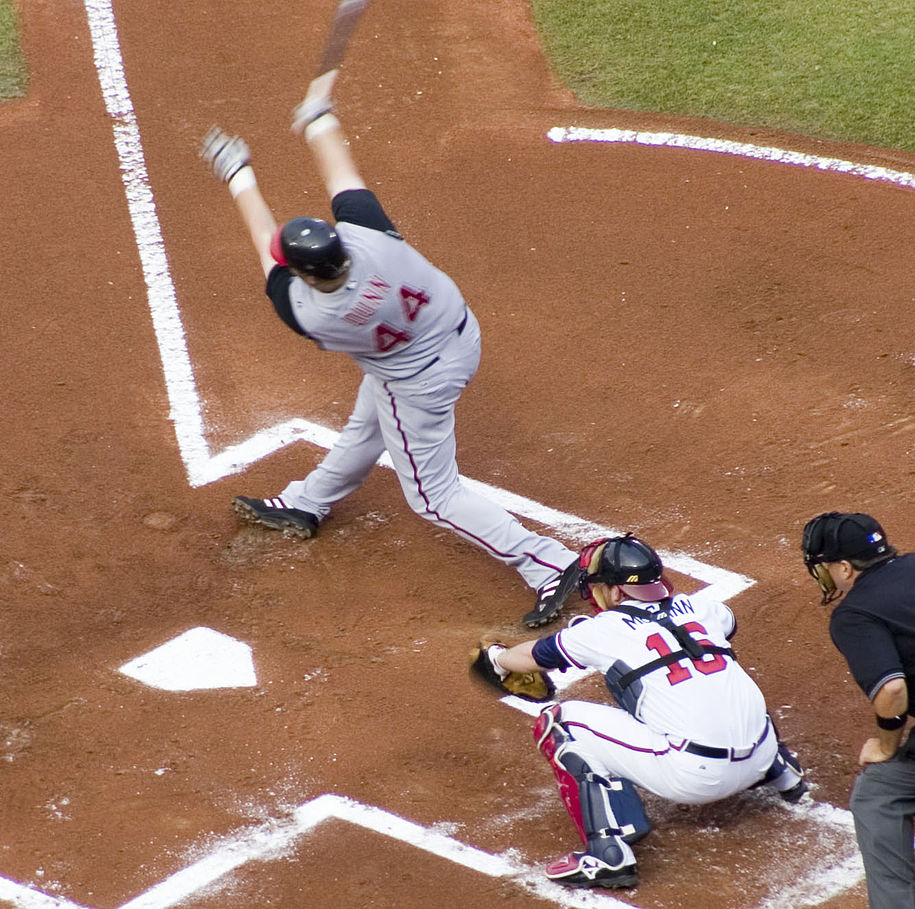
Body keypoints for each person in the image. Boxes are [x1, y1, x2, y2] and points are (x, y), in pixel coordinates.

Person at [199, 70, 576, 626]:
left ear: (303, 273)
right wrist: (319, 120)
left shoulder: (311, 312)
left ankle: (549, 564)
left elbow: (263, 240)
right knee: (368, 422)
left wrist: (238, 175)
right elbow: (343, 179)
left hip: (418, 381)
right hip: (459, 337)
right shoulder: (372, 240)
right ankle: (310, 501)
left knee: (433, 497)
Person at [481, 534, 807, 889]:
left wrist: (496, 657)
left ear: (615, 591)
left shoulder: (599, 630)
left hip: (696, 777)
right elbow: (727, 623)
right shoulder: (703, 608)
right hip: (760, 755)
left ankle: (608, 853)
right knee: (717, 679)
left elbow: (528, 658)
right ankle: (783, 773)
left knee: (560, 722)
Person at [801, 512, 915, 909]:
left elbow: (891, 690)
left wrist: (887, 744)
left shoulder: (854, 615)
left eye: (822, 565)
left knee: (878, 794)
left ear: (842, 567)